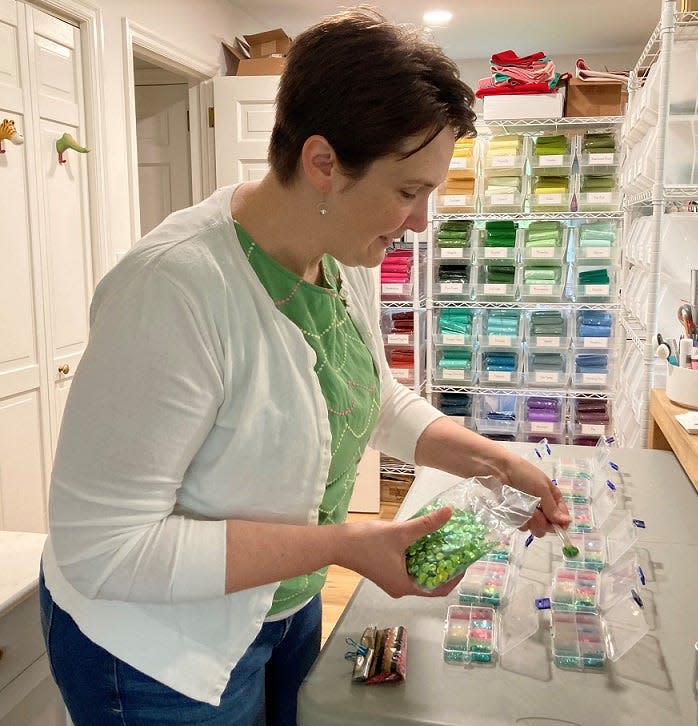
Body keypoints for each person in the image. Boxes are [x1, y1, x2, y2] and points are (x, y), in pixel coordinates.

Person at [39, 7, 570, 725]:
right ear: (323, 163)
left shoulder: (340, 254)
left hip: (283, 606)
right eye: (408, 190)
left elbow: (370, 398)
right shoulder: (170, 291)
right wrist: (349, 544)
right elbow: (103, 548)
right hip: (159, 651)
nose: (420, 221)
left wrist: (492, 462)